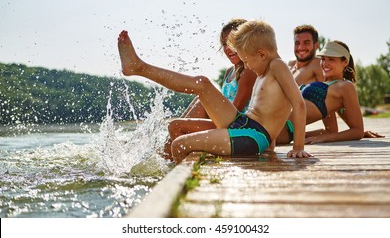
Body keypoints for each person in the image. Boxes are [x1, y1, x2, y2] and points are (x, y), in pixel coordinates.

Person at [117, 20, 311, 163]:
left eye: (246, 61)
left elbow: (298, 104)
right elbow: (271, 109)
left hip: (253, 135)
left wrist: (298, 148)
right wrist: (271, 147)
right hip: (243, 123)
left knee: (179, 144)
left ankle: (173, 188)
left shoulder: (278, 66)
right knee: (202, 83)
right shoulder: (264, 69)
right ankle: (139, 67)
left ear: (261, 54)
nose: (246, 66)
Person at [164, 19, 257, 160]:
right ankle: (167, 158)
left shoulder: (248, 71)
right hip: (224, 123)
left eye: (233, 42)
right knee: (198, 101)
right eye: (224, 44)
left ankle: (171, 164)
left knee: (176, 126)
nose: (227, 48)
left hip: (237, 128)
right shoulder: (229, 73)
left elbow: (235, 112)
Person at [277, 40, 365, 144]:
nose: (324, 63)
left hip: (281, 128)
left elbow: (358, 131)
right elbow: (331, 130)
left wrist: (323, 138)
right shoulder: (327, 85)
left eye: (331, 59)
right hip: (277, 123)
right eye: (323, 59)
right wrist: (304, 135)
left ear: (345, 62)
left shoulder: (345, 86)